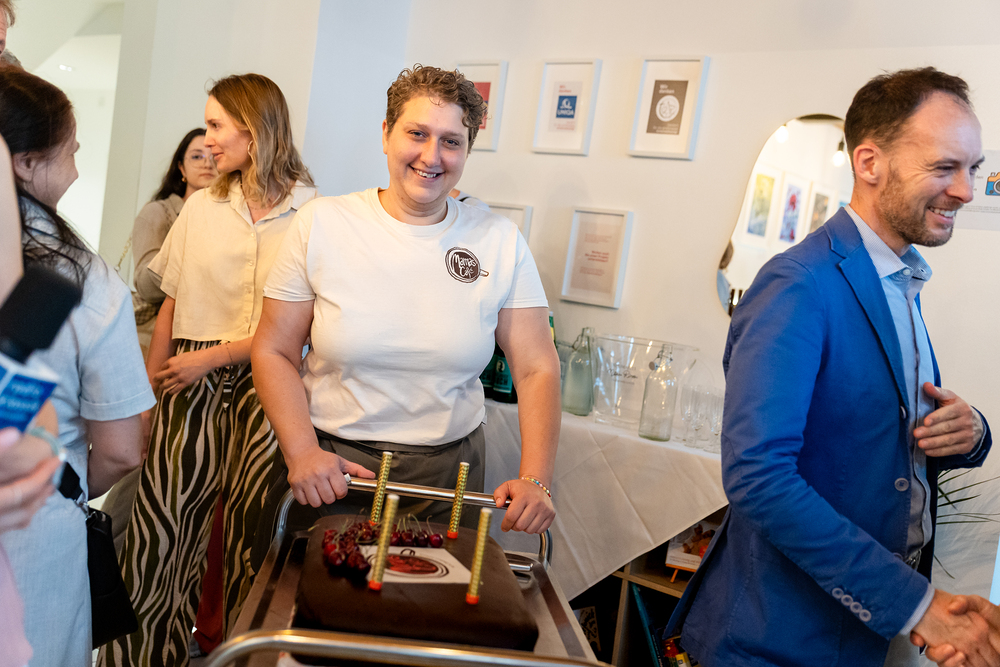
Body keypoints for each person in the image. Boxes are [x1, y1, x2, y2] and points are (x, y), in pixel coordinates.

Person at [668, 67, 996, 667]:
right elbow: (759, 478)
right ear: (869, 163)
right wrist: (916, 605)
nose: (966, 191)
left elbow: (876, 438)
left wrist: (971, 432)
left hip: (859, 633)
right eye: (944, 167)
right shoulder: (799, 284)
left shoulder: (900, 280)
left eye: (971, 169)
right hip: (777, 635)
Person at [251, 65, 559, 556]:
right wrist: (302, 450)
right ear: (386, 134)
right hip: (332, 470)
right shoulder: (322, 223)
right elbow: (273, 350)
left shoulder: (499, 240)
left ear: (467, 150)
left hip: (449, 479)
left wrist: (536, 478)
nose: (432, 156)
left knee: (431, 601)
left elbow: (536, 365)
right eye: (417, 134)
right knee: (315, 601)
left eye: (451, 141)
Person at [99, 73, 317, 667]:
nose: (209, 139)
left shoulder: (314, 214)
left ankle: (244, 659)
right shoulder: (200, 206)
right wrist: (147, 399)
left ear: (256, 129)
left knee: (254, 540)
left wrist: (212, 357)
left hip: (269, 384)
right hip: (185, 381)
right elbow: (170, 307)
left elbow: (301, 328)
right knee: (159, 533)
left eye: (218, 125)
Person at [0, 67, 154, 666]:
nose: (78, 164)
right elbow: (122, 448)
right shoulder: (85, 282)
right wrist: (61, 484)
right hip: (34, 533)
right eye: (70, 149)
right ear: (24, 163)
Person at [132, 127, 218, 355]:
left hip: (206, 340)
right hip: (161, 335)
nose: (207, 164)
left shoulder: (232, 218)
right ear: (181, 167)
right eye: (197, 156)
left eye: (214, 156)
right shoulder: (158, 212)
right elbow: (145, 285)